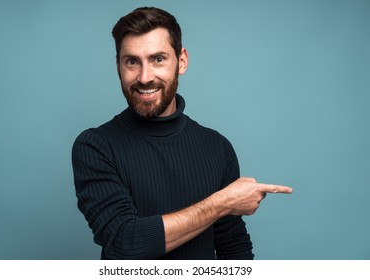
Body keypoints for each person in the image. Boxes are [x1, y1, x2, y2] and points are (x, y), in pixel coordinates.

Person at [72, 7, 292, 260]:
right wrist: (223, 203)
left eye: (158, 59)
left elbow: (234, 250)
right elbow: (125, 242)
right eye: (132, 61)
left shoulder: (217, 147)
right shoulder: (95, 146)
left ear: (182, 61)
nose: (145, 77)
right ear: (118, 66)